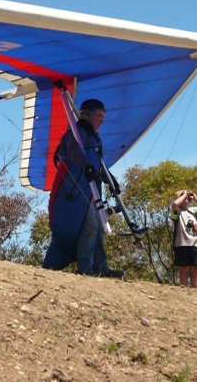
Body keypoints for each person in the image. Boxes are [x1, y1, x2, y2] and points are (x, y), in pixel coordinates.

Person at [43, 99, 124, 279]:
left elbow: (98, 163)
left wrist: (111, 180)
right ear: (86, 114)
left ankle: (100, 267)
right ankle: (85, 267)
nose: (102, 120)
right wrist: (86, 165)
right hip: (75, 191)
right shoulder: (76, 132)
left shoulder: (94, 137)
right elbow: (74, 150)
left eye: (103, 117)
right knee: (93, 226)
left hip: (91, 190)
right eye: (98, 116)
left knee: (99, 227)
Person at [171, 189, 197, 288]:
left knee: (195, 269)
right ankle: (183, 289)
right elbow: (175, 204)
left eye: (187, 196)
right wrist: (184, 195)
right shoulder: (177, 211)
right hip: (181, 244)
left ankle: (196, 290)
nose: (186, 197)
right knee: (183, 269)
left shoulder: (193, 211)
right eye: (182, 196)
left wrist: (195, 199)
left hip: (195, 244)